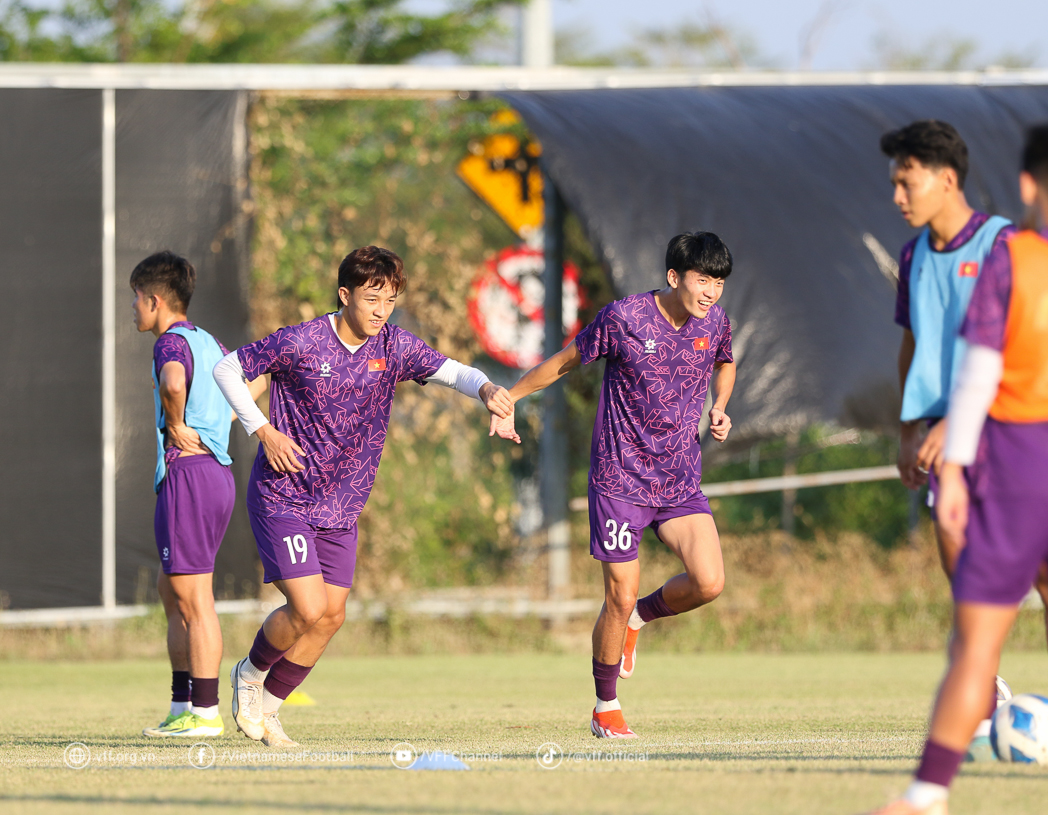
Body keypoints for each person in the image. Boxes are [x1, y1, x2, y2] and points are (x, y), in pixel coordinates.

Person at [214, 245, 514, 747]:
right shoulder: (302, 341)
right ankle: (248, 674)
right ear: (345, 294)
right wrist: (263, 430)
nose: (382, 310)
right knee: (307, 608)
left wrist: (487, 391)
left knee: (332, 617)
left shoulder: (393, 347)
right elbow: (228, 369)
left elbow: (455, 371)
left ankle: (268, 712)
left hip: (342, 507)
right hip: (285, 495)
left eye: (391, 300)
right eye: (373, 299)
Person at [867, 124, 1048, 815]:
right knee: (974, 612)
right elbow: (937, 351)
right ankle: (940, 774)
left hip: (995, 436)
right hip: (975, 445)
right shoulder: (921, 256)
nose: (896, 193)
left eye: (904, 178)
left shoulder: (1002, 243)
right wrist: (917, 425)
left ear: (947, 177)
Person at [494, 232, 736, 738]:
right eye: (702, 280)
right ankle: (606, 707)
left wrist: (719, 405)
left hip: (678, 481)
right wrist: (510, 396)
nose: (711, 291)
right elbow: (564, 361)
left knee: (709, 582)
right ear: (675, 277)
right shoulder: (625, 318)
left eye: (718, 282)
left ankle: (638, 622)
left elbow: (725, 361)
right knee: (618, 595)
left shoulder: (714, 322)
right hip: (620, 480)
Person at [132, 251, 264, 738]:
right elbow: (253, 383)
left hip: (190, 476)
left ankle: (205, 714)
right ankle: (180, 703)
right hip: (212, 476)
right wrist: (217, 429)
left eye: (135, 301)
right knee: (174, 593)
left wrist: (178, 423)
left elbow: (171, 382)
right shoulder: (209, 342)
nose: (133, 311)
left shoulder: (170, 342)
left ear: (155, 299)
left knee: (195, 599)